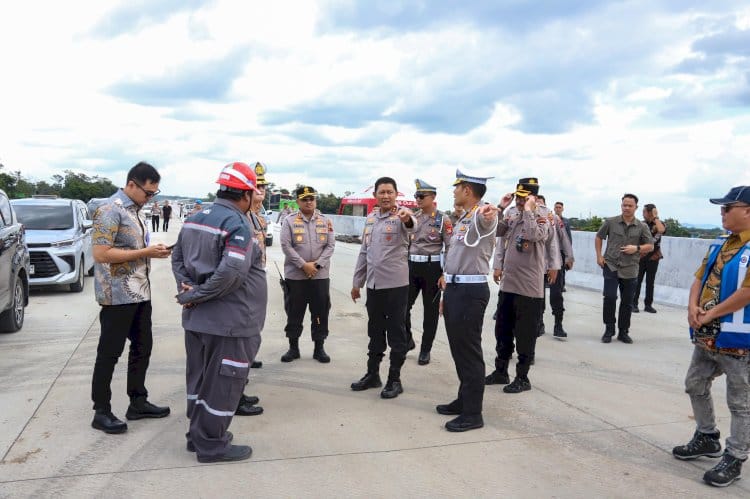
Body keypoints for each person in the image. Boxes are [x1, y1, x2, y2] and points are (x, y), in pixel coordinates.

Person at [171, 161, 266, 463]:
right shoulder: (237, 223)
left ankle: (197, 436)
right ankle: (212, 444)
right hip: (230, 321)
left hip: (199, 319)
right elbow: (230, 273)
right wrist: (196, 293)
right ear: (246, 194)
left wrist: (189, 290)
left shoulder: (196, 217)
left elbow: (177, 258)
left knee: (200, 380)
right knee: (224, 383)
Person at [672, 185, 750, 488]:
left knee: (740, 401)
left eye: (728, 207)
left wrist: (712, 312)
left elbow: (746, 293)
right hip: (707, 334)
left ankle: (736, 455)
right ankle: (707, 436)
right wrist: (692, 305)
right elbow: (699, 278)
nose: (722, 212)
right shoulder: (720, 244)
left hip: (739, 341)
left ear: (747, 211)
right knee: (695, 383)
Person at [90, 161, 171, 434]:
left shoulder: (135, 210)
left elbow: (133, 248)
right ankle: (101, 410)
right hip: (117, 296)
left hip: (139, 292)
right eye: (148, 193)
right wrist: (145, 253)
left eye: (154, 195)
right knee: (109, 353)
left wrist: (150, 250)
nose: (150, 198)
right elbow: (101, 254)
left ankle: (138, 401)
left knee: (143, 347)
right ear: (131, 184)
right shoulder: (110, 210)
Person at [435, 169, 497, 432]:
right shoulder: (463, 218)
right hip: (456, 290)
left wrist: (490, 213)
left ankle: (473, 413)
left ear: (468, 191)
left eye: (457, 187)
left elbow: (488, 222)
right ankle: (464, 400)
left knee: (469, 352)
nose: (454, 191)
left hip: (471, 293)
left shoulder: (482, 215)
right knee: (459, 350)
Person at [486, 178, 559, 394]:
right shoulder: (511, 213)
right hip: (509, 282)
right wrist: (501, 208)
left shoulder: (544, 216)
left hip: (529, 285)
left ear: (533, 197)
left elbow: (534, 235)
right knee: (502, 329)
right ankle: (501, 371)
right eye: (518, 197)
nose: (519, 201)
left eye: (523, 198)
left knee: (525, 333)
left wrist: (529, 210)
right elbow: (497, 233)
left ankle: (522, 377)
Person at [351, 176, 416, 399]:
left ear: (396, 195)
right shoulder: (370, 220)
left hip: (396, 287)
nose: (386, 196)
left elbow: (412, 225)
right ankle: (372, 374)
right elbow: (364, 252)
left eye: (390, 192)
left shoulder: (402, 216)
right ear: (375, 195)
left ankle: (394, 379)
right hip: (374, 286)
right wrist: (357, 282)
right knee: (375, 331)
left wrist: (407, 218)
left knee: (396, 334)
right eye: (382, 192)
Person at [280, 186, 336, 363]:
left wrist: (317, 265)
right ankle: (293, 348)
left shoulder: (325, 221)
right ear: (297, 202)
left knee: (320, 312)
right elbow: (286, 246)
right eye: (304, 199)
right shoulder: (289, 221)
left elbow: (330, 246)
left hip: (319, 277)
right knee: (294, 312)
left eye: (311, 198)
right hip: (296, 277)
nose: (309, 201)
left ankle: (319, 348)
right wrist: (303, 265)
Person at [595, 194, 654, 344]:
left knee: (627, 301)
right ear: (621, 205)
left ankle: (623, 331)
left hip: (630, 268)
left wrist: (637, 248)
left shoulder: (642, 226)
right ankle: (609, 328)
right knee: (609, 297)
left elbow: (650, 246)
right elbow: (599, 237)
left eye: (630, 205)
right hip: (611, 265)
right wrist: (599, 256)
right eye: (624, 205)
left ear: (636, 207)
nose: (626, 208)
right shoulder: (611, 222)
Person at [406, 178, 453, 365]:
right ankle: (407, 339)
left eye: (421, 196)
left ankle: (425, 349)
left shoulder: (443, 219)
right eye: (416, 195)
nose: (418, 199)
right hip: (412, 267)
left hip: (432, 268)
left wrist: (445, 273)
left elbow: (450, 247)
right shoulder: (413, 217)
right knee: (402, 307)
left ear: (433, 197)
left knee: (430, 312)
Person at [547, 198, 574, 340]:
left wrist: (569, 257)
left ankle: (558, 324)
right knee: (537, 297)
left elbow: (566, 239)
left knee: (556, 295)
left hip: (556, 262)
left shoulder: (556, 220)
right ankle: (538, 323)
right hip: (537, 265)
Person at [633, 203, 666, 313]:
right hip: (641, 256)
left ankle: (648, 305)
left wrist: (655, 217)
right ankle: (634, 304)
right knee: (637, 281)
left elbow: (661, 230)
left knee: (650, 282)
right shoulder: (641, 224)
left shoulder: (660, 224)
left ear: (650, 212)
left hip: (653, 257)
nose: (643, 214)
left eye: (644, 212)